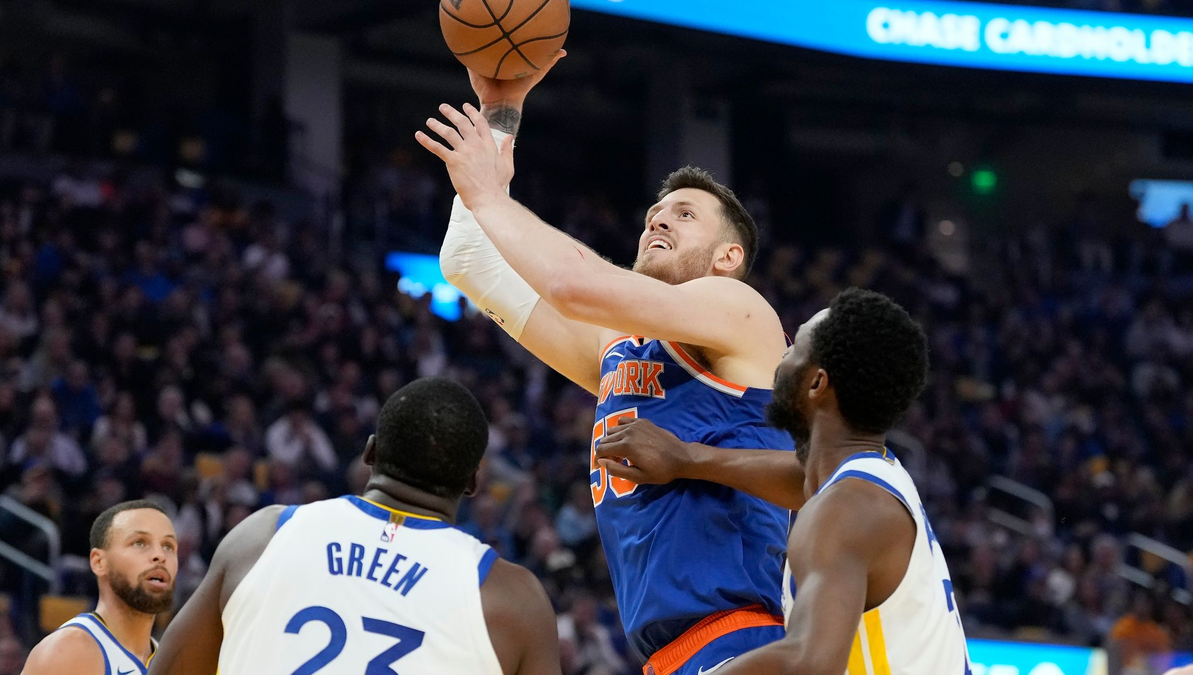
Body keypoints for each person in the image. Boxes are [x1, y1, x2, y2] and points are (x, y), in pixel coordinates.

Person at [420, 58, 799, 675]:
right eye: (657, 210)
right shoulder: (620, 351)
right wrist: (500, 112)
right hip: (669, 653)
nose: (659, 217)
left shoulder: (741, 311)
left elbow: (573, 283)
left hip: (739, 638)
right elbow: (469, 262)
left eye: (684, 214)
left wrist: (490, 192)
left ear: (728, 256)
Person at [598, 289, 970, 674]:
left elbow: (808, 663)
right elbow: (799, 477)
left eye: (793, 351)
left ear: (816, 384)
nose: (780, 358)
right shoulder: (873, 477)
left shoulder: (843, 511)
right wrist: (688, 458)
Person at [147, 377, 560, 675]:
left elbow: (170, 669)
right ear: (473, 482)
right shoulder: (514, 600)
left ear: (370, 452)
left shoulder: (262, 535)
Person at [22, 500, 179, 675]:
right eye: (140, 543)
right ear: (99, 562)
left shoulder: (171, 663)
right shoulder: (69, 651)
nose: (160, 555)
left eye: (168, 546)